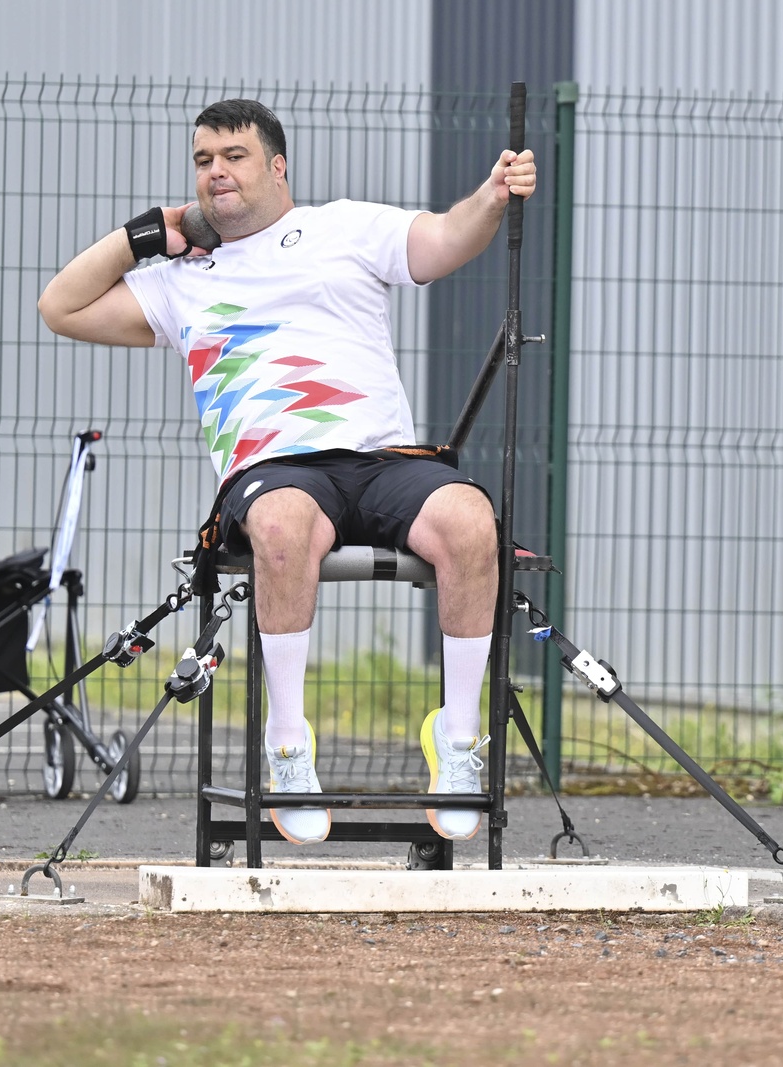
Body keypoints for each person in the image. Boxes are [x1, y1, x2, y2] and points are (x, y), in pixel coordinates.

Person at [38, 98, 535, 846]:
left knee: (472, 520)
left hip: (381, 460)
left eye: (233, 156)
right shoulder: (182, 280)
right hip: (273, 470)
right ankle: (289, 744)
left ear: (277, 166)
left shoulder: (345, 228)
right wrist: (141, 236)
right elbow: (60, 307)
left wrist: (492, 196)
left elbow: (442, 241)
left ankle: (459, 742)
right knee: (283, 523)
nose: (215, 173)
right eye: (203, 161)